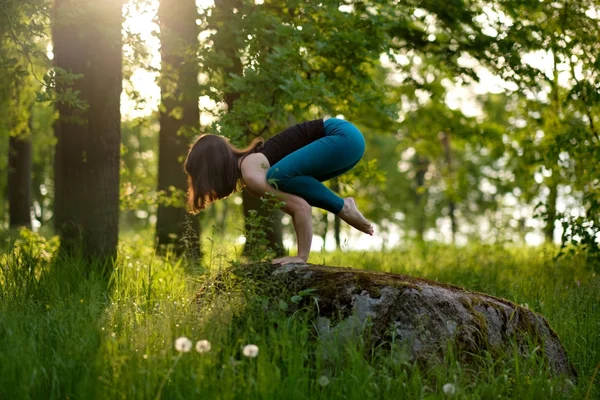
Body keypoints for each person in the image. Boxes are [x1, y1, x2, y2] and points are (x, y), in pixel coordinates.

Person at [184, 117, 374, 265]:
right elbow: (297, 208)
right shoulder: (252, 179)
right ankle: (344, 205)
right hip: (349, 144)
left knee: (278, 175)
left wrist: (301, 257)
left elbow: (301, 208)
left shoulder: (251, 172)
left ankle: (343, 206)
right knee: (286, 180)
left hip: (341, 136)